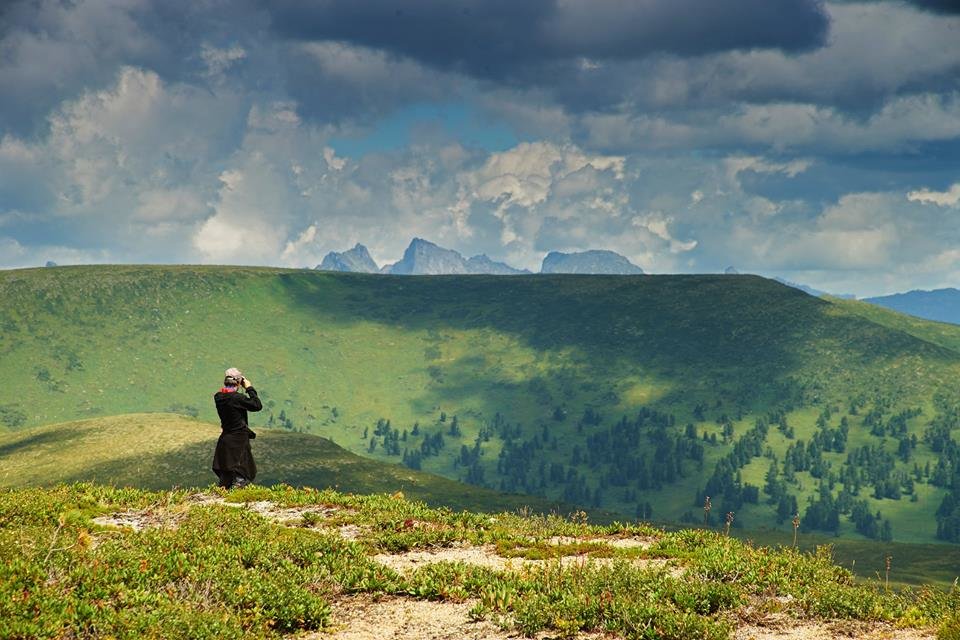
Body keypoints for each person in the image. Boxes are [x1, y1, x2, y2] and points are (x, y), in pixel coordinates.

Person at [212, 367, 262, 489]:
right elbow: (257, 405)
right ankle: (235, 497)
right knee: (241, 473)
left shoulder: (218, 397)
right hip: (239, 439)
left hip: (226, 438)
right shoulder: (237, 398)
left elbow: (228, 395)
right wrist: (249, 388)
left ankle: (222, 498)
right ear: (239, 383)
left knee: (226, 474)